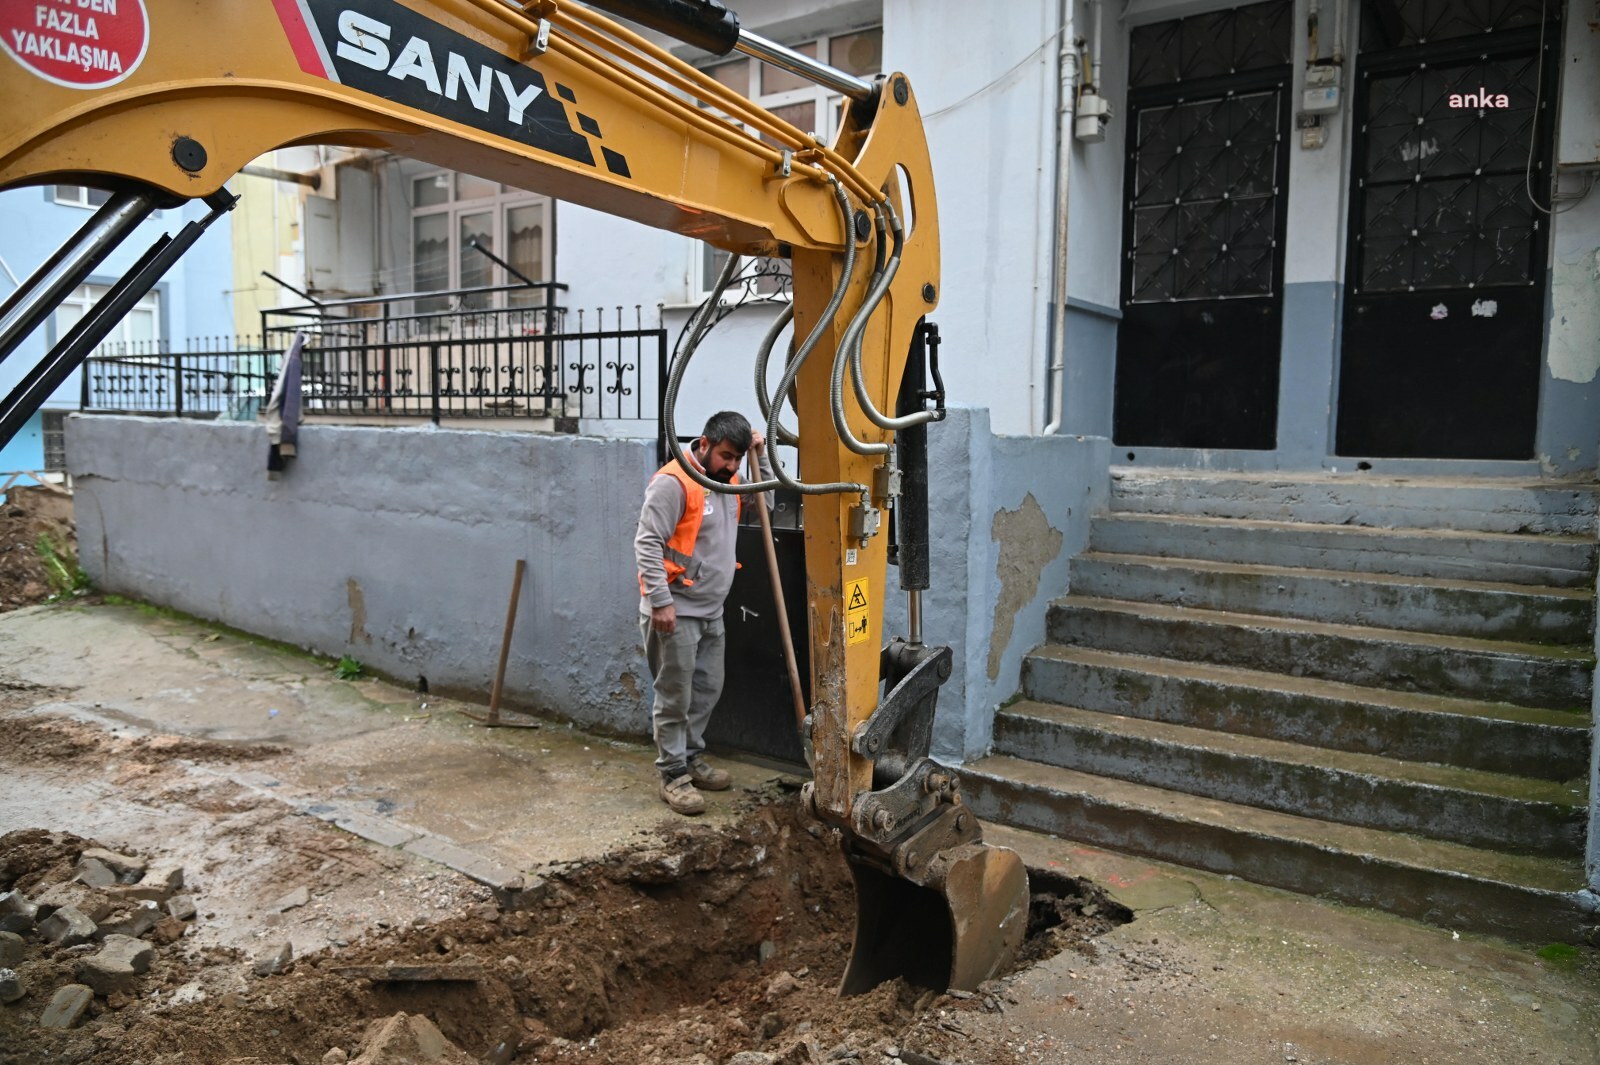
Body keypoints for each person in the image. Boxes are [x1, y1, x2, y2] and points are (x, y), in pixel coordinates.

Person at [635, 411, 774, 815]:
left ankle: (692, 756)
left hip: (713, 609)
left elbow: (766, 504)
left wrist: (759, 457)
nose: (731, 466)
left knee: (708, 689)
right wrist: (660, 602)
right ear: (705, 443)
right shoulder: (673, 483)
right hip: (675, 610)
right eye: (727, 456)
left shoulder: (728, 481)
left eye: (736, 458)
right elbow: (647, 543)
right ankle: (673, 774)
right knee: (674, 694)